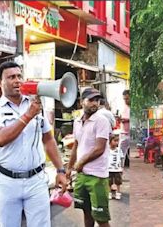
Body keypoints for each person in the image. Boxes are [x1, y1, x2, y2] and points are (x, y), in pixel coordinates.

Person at [0, 61, 67, 227]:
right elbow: (0, 138)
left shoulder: (33, 104)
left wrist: (61, 170)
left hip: (36, 180)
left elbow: (48, 139)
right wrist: (28, 115)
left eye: (19, 76)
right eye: (11, 77)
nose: (17, 80)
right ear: (0, 82)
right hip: (7, 182)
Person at [66, 87, 111, 227]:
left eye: (97, 100)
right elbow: (76, 145)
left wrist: (80, 163)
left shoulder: (101, 121)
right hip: (82, 175)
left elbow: (99, 148)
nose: (95, 103)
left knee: (101, 217)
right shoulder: (77, 121)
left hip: (97, 176)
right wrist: (69, 167)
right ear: (81, 102)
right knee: (86, 212)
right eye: (91, 100)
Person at [107, 133, 124, 200]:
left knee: (118, 182)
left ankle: (118, 193)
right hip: (109, 169)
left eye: (117, 141)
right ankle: (109, 193)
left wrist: (122, 167)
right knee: (109, 182)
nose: (116, 142)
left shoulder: (119, 150)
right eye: (115, 141)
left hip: (117, 169)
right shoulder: (107, 150)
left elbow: (122, 158)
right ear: (110, 141)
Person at [119, 90, 130, 167]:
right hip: (123, 134)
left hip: (130, 134)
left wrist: (127, 120)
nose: (125, 101)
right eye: (124, 99)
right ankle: (120, 170)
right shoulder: (123, 108)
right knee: (121, 154)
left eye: (127, 99)